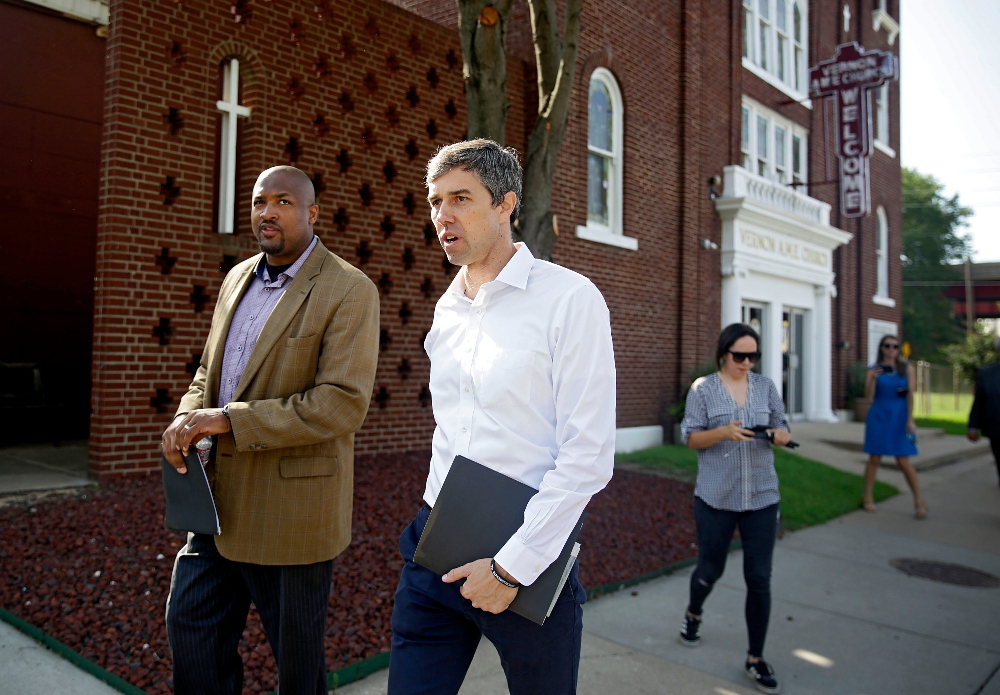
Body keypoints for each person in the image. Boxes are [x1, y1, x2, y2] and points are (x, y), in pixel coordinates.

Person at [387, 140, 616, 695]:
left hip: (526, 558)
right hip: (433, 548)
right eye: (435, 201)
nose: (442, 215)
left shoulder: (570, 299)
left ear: (506, 204)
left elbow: (588, 455)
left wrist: (512, 567)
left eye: (460, 198)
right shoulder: (446, 309)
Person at [160, 166, 380, 695]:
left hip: (292, 515)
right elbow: (207, 374)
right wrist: (187, 416)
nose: (267, 213)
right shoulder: (237, 278)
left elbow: (340, 404)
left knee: (298, 669)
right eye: (260, 202)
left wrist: (228, 421)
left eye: (283, 202)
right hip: (215, 506)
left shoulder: (349, 290)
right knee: (190, 629)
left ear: (312, 213)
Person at [679, 323, 790, 695]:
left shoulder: (766, 387)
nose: (746, 363)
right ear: (723, 353)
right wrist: (723, 432)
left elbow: (781, 423)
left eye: (752, 356)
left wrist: (781, 434)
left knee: (759, 578)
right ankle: (694, 613)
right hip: (716, 496)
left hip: (761, 495)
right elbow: (691, 437)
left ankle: (755, 659)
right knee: (711, 568)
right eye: (739, 355)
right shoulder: (703, 390)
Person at [861, 334, 927, 518]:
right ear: (881, 348)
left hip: (900, 416)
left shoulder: (907, 369)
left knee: (903, 460)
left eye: (895, 346)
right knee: (874, 458)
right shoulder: (875, 369)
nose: (892, 350)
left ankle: (919, 501)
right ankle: (867, 496)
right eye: (888, 346)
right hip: (879, 415)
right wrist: (872, 379)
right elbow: (869, 397)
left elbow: (910, 395)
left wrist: (910, 420)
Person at [967, 336, 1000, 486]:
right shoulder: (986, 374)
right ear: (997, 351)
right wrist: (973, 426)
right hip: (996, 427)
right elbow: (979, 402)